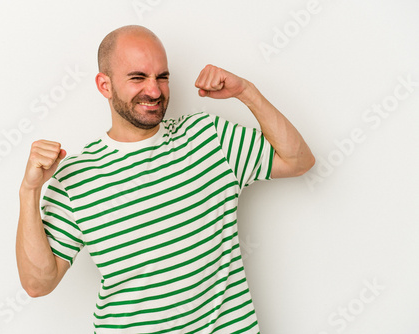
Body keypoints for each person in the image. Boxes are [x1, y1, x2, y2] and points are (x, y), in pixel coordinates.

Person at [16, 25, 315, 333]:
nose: (155, 91)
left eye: (162, 76)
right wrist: (29, 191)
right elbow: (39, 284)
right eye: (137, 77)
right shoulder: (76, 176)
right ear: (105, 85)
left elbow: (298, 160)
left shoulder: (208, 137)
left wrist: (245, 92)